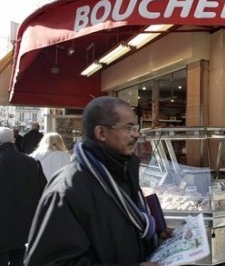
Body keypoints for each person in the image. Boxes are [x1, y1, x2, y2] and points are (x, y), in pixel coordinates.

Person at [25, 96, 172, 266]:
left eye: (136, 127)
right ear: (101, 133)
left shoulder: (121, 174)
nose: (136, 134)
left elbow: (118, 234)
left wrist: (153, 237)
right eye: (129, 128)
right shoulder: (66, 191)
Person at [0, 127, 47, 266]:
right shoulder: (31, 162)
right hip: (24, 221)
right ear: (13, 140)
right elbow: (43, 190)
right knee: (19, 258)